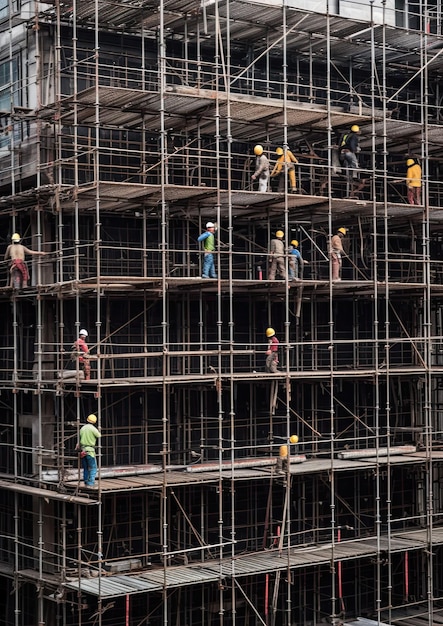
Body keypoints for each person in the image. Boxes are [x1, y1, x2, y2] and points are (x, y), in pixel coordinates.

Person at [76, 414, 101, 487]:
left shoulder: (82, 428)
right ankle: (91, 483)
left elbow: (79, 438)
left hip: (83, 450)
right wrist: (99, 429)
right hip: (90, 451)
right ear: (94, 422)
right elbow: (99, 435)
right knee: (93, 468)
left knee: (86, 467)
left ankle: (86, 481)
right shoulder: (93, 429)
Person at [339, 125, 361, 195]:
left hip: (342, 152)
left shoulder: (346, 135)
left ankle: (347, 176)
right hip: (348, 152)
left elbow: (341, 143)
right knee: (355, 165)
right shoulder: (354, 136)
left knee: (347, 165)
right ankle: (354, 177)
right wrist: (354, 150)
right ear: (356, 131)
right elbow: (352, 144)